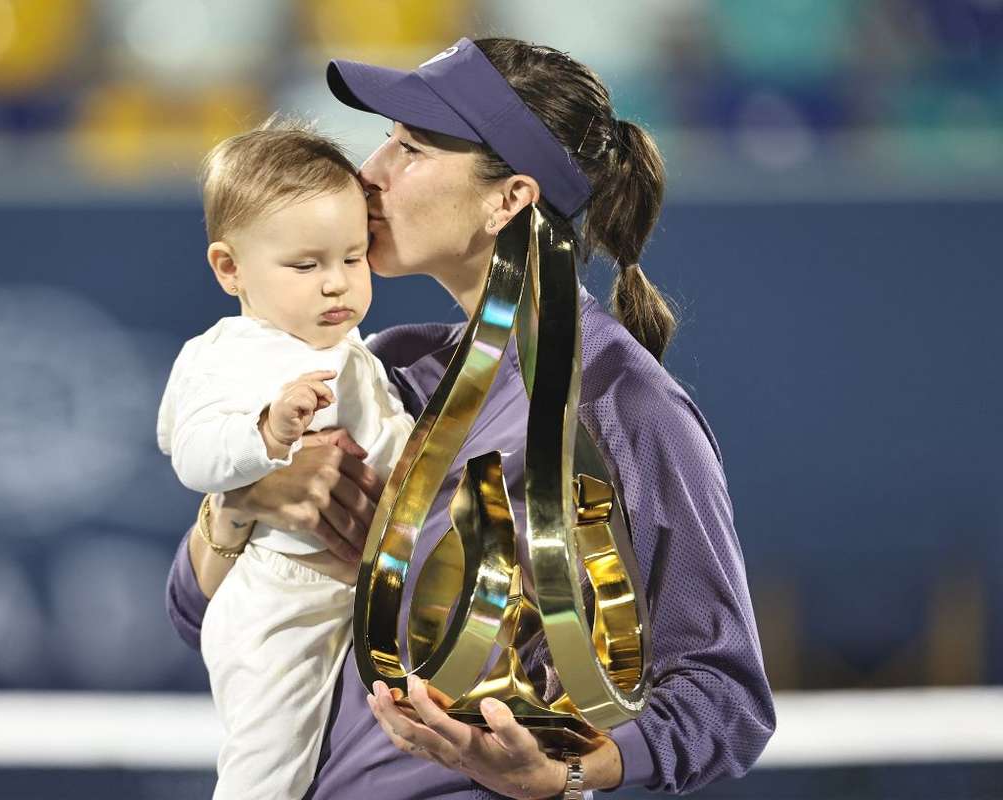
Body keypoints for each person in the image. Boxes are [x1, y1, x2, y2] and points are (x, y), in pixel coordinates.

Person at [166, 37, 776, 798]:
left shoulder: (626, 404)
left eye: (411, 149)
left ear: (508, 199)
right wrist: (242, 505)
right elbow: (194, 611)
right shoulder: (388, 367)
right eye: (385, 138)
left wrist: (561, 772)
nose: (369, 172)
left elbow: (725, 698)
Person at [156, 118, 414, 799]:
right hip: (280, 597)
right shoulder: (229, 354)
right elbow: (193, 453)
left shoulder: (358, 350)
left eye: (353, 258)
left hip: (355, 593)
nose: (336, 285)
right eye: (306, 265)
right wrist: (267, 436)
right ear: (230, 268)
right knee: (267, 769)